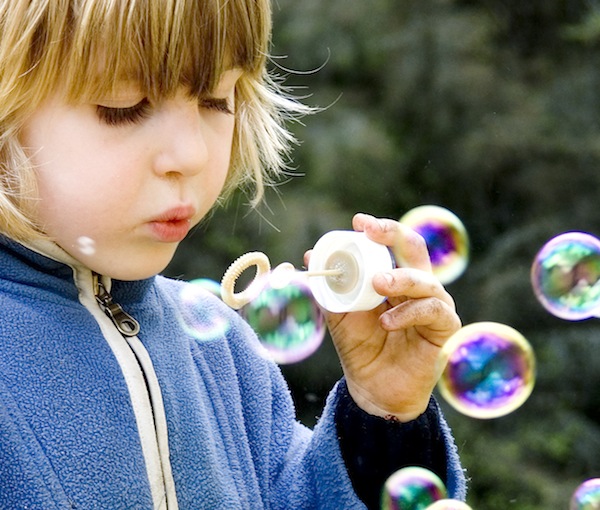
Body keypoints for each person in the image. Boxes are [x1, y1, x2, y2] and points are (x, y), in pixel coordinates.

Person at [0, 0, 467, 508]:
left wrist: (383, 414)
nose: (192, 154)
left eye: (217, 99)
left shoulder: (223, 354)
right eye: (124, 105)